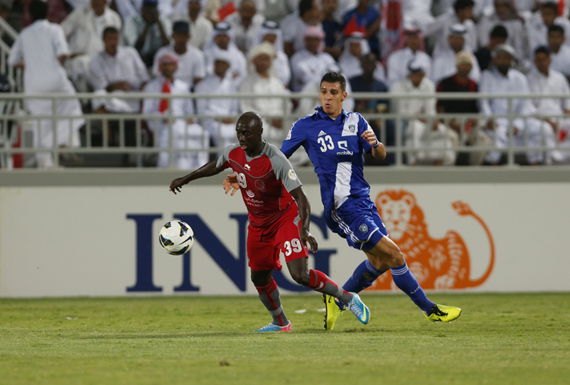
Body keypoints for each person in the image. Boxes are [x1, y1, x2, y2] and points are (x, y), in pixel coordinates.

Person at [226, 73, 462, 329]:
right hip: (342, 207)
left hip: (364, 202)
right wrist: (242, 174)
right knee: (395, 255)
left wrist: (376, 144)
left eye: (333, 93)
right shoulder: (305, 126)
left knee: (379, 262)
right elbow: (276, 159)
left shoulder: (356, 121)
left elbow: (380, 154)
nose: (327, 97)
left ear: (343, 96)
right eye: (324, 91)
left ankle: (337, 300)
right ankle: (431, 310)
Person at [169, 112, 370, 332]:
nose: (242, 137)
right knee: (259, 276)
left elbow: (301, 198)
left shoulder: (275, 159)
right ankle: (281, 322)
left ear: (259, 133)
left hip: (284, 219)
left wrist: (304, 229)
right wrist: (185, 179)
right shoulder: (233, 153)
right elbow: (213, 166)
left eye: (246, 133)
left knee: (299, 275)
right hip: (258, 225)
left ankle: (348, 298)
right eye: (239, 132)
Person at [8, 0, 84, 168]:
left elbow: (12, 60)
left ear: (30, 14)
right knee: (73, 108)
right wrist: (55, 61)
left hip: (33, 84)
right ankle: (67, 143)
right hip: (55, 80)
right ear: (47, 13)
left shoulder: (24, 33)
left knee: (40, 123)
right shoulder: (54, 29)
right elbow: (63, 53)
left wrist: (29, 62)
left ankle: (46, 163)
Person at [479, 44, 559, 165]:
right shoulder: (486, 76)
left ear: (512, 60)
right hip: (496, 120)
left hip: (519, 119)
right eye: (500, 57)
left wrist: (517, 124)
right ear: (494, 60)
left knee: (543, 129)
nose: (503, 60)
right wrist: (489, 119)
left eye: (506, 57)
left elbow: (525, 104)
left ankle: (541, 166)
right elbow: (483, 102)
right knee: (498, 134)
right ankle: (493, 169)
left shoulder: (520, 78)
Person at [143, 53, 208, 169]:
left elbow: (190, 112)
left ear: (176, 67)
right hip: (161, 123)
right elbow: (146, 113)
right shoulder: (151, 87)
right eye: (165, 65)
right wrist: (162, 117)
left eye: (171, 65)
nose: (168, 68)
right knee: (172, 131)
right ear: (160, 67)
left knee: (201, 132)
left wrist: (190, 120)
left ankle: (199, 166)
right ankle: (167, 167)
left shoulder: (183, 87)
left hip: (181, 122)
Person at [61, 0, 121, 91]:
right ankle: (85, 100)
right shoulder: (80, 13)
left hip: (103, 60)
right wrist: (68, 53)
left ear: (105, 2)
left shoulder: (114, 19)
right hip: (79, 59)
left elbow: (117, 43)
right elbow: (61, 33)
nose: (94, 2)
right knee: (81, 64)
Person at [527, 46, 570, 163]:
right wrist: (547, 120)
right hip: (540, 118)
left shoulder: (559, 77)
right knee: (545, 130)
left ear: (549, 60)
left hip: (560, 116)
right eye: (538, 60)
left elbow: (567, 100)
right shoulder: (529, 79)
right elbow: (528, 106)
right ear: (534, 61)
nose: (541, 62)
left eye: (543, 59)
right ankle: (549, 162)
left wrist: (566, 115)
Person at [152, 20, 206, 89]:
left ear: (189, 36)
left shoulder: (197, 54)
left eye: (184, 35)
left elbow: (199, 78)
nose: (181, 39)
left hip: (189, 93)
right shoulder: (162, 53)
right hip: (166, 89)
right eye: (178, 35)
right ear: (173, 36)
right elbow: (157, 75)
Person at [123, 0, 171, 67]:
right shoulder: (131, 21)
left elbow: (168, 46)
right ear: (142, 10)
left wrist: (159, 23)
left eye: (153, 9)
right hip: (137, 61)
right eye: (148, 9)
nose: (151, 12)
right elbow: (136, 48)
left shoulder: (164, 21)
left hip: (158, 62)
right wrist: (148, 24)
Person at [290, 26, 338, 92]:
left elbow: (335, 73)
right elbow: (305, 78)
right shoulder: (297, 57)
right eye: (310, 40)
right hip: (305, 94)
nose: (313, 43)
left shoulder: (326, 57)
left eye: (316, 40)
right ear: (305, 40)